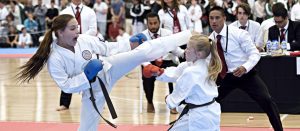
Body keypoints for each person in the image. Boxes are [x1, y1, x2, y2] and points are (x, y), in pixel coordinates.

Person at [17, 14, 192, 131]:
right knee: (87, 126)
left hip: (109, 68)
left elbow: (107, 47)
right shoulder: (55, 59)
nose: (77, 31)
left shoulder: (84, 40)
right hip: (92, 90)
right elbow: (66, 86)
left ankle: (186, 36)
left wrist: (129, 44)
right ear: (60, 33)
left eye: (77, 27)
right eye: (72, 28)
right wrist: (86, 76)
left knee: (141, 52)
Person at [208, 6, 283, 131]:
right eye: (211, 18)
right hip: (225, 76)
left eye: (217, 18)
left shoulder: (238, 33)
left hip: (246, 75)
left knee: (267, 100)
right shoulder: (210, 39)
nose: (214, 21)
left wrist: (244, 67)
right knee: (207, 101)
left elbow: (255, 54)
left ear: (224, 19)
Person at [149, 33, 222, 130]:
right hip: (211, 113)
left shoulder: (191, 72)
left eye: (188, 49)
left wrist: (168, 99)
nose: (185, 51)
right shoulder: (205, 64)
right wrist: (160, 72)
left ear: (198, 54)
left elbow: (173, 101)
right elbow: (177, 72)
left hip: (198, 117)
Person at [141, 12, 184, 113]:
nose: (153, 26)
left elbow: (175, 49)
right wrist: (149, 66)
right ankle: (150, 102)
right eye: (150, 23)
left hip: (167, 60)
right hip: (150, 62)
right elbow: (141, 56)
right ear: (147, 24)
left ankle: (173, 103)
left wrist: (183, 53)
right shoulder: (143, 36)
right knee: (146, 76)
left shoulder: (167, 33)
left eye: (155, 23)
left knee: (175, 73)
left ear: (159, 22)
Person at [58, 0, 98, 111]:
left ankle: (93, 100)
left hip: (86, 47)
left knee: (91, 73)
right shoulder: (64, 12)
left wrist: (80, 39)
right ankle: (64, 103)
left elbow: (93, 30)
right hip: (69, 47)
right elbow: (60, 31)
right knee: (68, 74)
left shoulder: (90, 11)